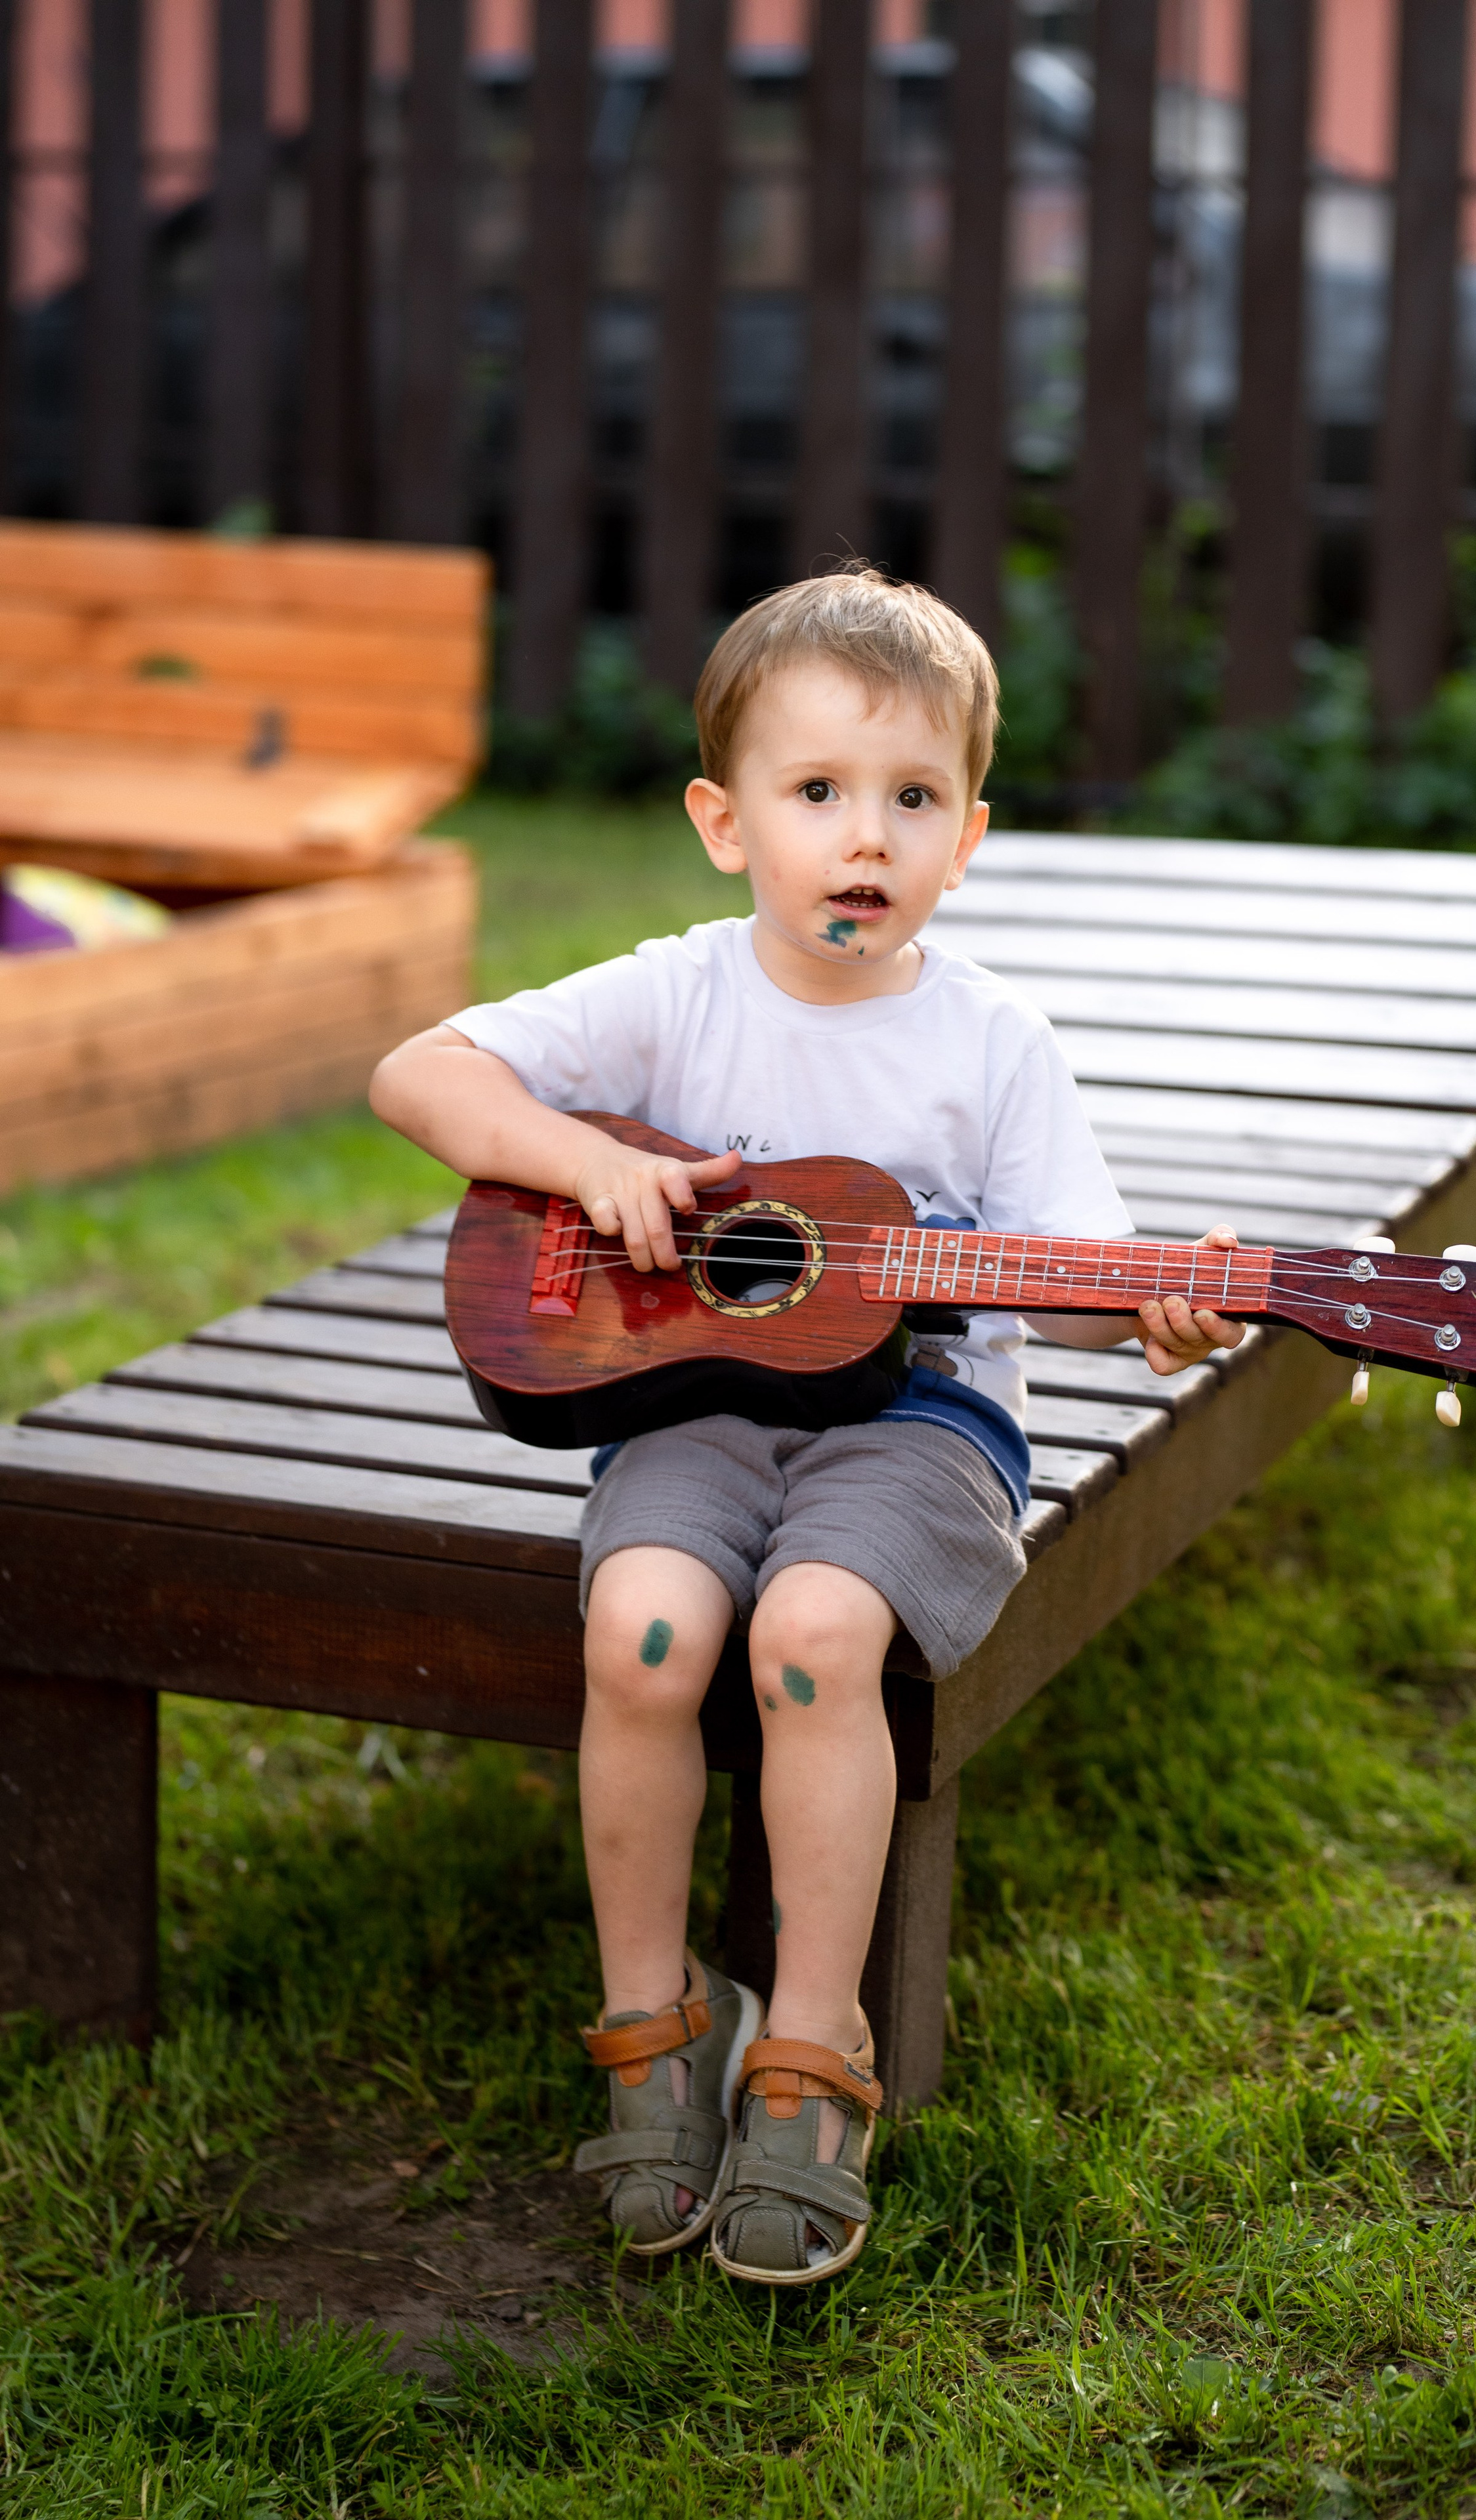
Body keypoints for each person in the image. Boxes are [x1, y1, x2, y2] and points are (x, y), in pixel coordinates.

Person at [369, 566, 1243, 2287]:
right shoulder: (679, 994)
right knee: (648, 1629)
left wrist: (1154, 1304)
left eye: (913, 799)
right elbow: (423, 1074)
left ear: (970, 836)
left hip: (919, 1427)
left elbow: (1058, 1280)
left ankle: (812, 2046)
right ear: (724, 819)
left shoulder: (996, 1043)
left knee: (813, 1636)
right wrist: (593, 1163)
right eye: (819, 792)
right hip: (696, 1406)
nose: (867, 837)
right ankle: (650, 2017)